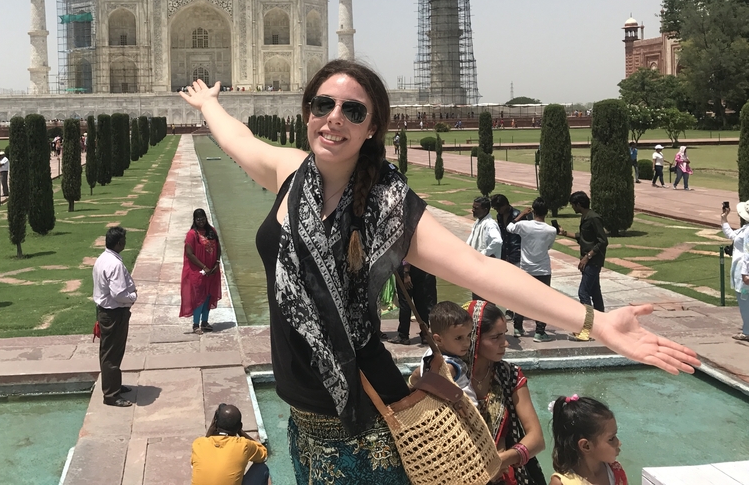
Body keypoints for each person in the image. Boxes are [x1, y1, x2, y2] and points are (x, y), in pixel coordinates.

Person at [179, 60, 698, 482]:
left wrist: (594, 322)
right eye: (323, 105)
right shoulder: (290, 174)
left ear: (372, 126)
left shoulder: (388, 207)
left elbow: (481, 271)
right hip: (305, 416)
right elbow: (238, 139)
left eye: (352, 110)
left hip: (367, 418)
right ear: (308, 112)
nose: (334, 118)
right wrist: (209, 105)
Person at [466, 300, 547, 484]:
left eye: (504, 335)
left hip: (503, 475)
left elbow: (537, 438)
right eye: (495, 337)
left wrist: (504, 459)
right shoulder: (452, 378)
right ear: (474, 337)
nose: (505, 344)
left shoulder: (510, 375)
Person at [92, 226, 137, 407]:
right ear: (119, 243)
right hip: (114, 313)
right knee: (111, 353)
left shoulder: (103, 258)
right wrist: (132, 297)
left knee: (112, 352)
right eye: (124, 240)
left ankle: (114, 384)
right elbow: (118, 293)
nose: (125, 243)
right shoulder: (115, 264)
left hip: (107, 311)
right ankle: (111, 395)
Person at [507, 197, 557, 341]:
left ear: (533, 211)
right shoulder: (551, 230)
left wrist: (521, 214)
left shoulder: (524, 225)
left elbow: (509, 227)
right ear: (546, 212)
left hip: (526, 269)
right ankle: (540, 332)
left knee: (522, 299)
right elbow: (548, 247)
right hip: (542, 270)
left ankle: (517, 327)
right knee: (543, 302)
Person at [548, 395, 627, 485]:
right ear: (586, 446)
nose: (619, 443)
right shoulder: (562, 483)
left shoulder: (616, 471)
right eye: (611, 439)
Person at [560, 192, 608, 327]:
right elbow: (584, 237)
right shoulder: (586, 217)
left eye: (573, 205)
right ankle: (602, 324)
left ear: (579, 204)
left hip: (593, 261)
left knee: (583, 293)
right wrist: (564, 233)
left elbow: (603, 241)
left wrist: (588, 257)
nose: (572, 207)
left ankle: (588, 328)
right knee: (595, 292)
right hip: (589, 260)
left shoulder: (593, 218)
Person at [191, 403, 270, 485]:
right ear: (239, 426)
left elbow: (206, 441)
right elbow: (263, 455)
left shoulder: (198, 444)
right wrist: (240, 431)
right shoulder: (243, 445)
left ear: (215, 424)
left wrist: (212, 428)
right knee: (261, 468)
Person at [416, 300, 477, 406]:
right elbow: (436, 381)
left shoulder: (429, 352)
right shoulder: (452, 366)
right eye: (458, 338)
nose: (467, 343)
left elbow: (418, 374)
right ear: (438, 340)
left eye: (468, 335)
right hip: (467, 413)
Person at [181, 208, 222, 334]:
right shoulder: (192, 234)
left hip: (212, 271)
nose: (201, 221)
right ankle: (195, 325)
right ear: (195, 220)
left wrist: (216, 263)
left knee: (208, 296)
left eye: (203, 218)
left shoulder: (212, 231)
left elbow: (218, 247)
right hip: (198, 271)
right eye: (198, 219)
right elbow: (190, 254)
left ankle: (205, 322)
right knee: (199, 297)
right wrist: (204, 267)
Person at [390, 259, 436, 345]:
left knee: (405, 302)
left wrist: (406, 272)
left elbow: (407, 252)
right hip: (420, 266)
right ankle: (425, 334)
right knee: (421, 302)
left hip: (407, 269)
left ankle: (403, 336)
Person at [721, 201, 749, 341]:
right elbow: (732, 236)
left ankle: (747, 331)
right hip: (741, 271)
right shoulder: (745, 228)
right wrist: (724, 218)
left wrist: (745, 273)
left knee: (745, 301)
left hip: (744, 273)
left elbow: (748, 253)